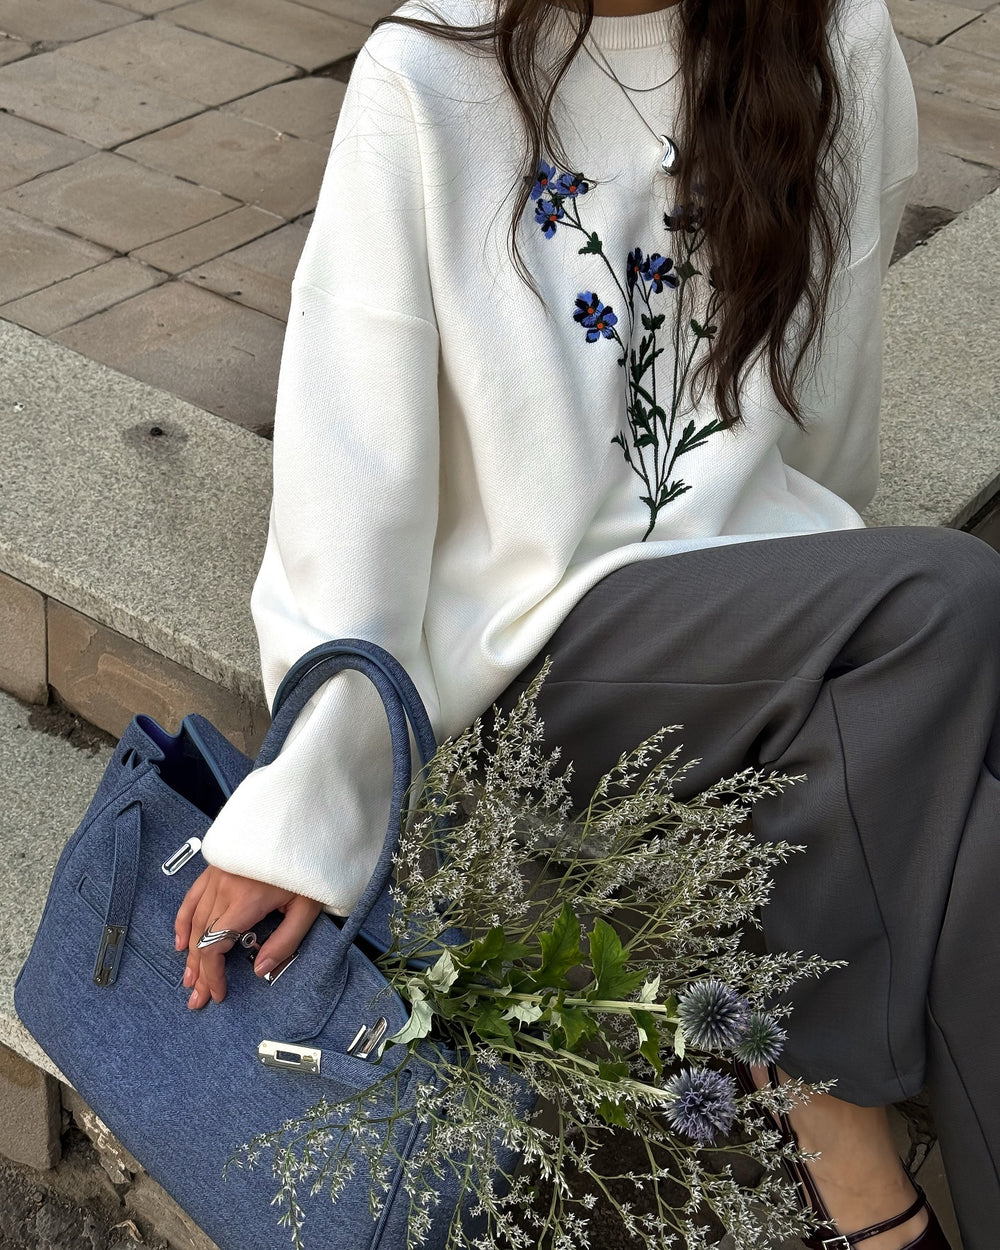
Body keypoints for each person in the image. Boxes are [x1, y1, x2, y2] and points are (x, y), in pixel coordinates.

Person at [172, 0, 1000, 1245]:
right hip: (535, 668)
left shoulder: (834, 39)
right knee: (950, 592)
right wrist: (305, 809)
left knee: (985, 849)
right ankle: (835, 1126)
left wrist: (812, 630)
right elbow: (349, 486)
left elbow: (826, 403)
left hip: (749, 638)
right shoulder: (429, 75)